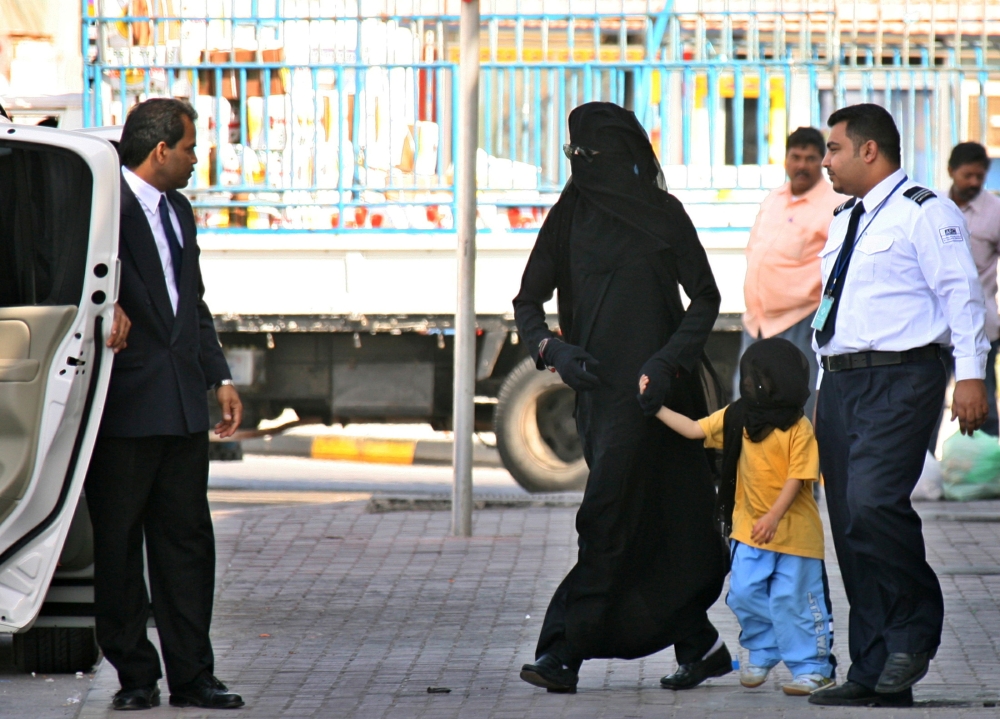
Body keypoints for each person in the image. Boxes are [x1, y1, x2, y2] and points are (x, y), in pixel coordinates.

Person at [513, 102, 730, 695]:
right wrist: (553, 352)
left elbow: (706, 298)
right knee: (637, 521)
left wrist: (665, 361)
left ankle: (562, 653)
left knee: (620, 521)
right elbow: (527, 304)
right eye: (574, 155)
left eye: (592, 155)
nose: (583, 165)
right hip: (600, 400)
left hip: (663, 398)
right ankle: (699, 643)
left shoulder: (665, 216)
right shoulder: (568, 217)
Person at [807, 104, 990, 707]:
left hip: (902, 378)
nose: (824, 160)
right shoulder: (844, 219)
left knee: (873, 503)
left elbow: (961, 295)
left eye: (832, 149)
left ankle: (914, 629)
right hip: (840, 383)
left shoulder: (924, 210)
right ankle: (875, 665)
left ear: (868, 151)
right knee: (849, 522)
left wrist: (971, 376)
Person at [84, 98, 245, 711]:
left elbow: (191, 300)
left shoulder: (179, 211)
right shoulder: (102, 208)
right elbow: (68, 272)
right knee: (121, 546)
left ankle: (193, 676)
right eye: (189, 148)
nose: (195, 159)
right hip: (124, 408)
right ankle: (135, 677)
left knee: (186, 544)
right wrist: (105, 305)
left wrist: (218, 375)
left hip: (180, 405)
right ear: (159, 151)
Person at [644, 338, 835, 697]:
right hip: (749, 532)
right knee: (744, 593)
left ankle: (814, 669)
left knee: (793, 603)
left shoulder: (798, 428)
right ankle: (764, 650)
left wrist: (774, 517)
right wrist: (655, 408)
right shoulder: (737, 417)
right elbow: (695, 430)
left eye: (759, 378)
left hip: (795, 537)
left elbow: (797, 477)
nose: (750, 384)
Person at [736, 127, 847, 418]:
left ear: (822, 161)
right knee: (748, 403)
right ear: (785, 160)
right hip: (756, 322)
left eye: (811, 158)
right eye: (795, 157)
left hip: (801, 320)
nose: (802, 165)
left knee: (794, 408)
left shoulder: (835, 206)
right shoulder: (774, 198)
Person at [947, 142, 1000, 436]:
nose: (974, 183)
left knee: (983, 409)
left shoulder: (995, 211)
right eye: (967, 175)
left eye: (980, 176)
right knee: (923, 411)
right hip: (938, 329)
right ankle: (924, 477)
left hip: (982, 327)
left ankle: (990, 476)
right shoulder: (932, 207)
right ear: (951, 171)